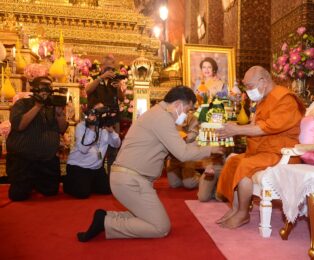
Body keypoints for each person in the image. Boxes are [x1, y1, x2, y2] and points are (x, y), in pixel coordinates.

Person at [77, 86, 223, 242]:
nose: (186, 116)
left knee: (150, 218)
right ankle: (107, 223)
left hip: (133, 180)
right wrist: (211, 149)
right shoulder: (162, 118)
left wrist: (205, 145)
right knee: (160, 227)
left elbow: (180, 148)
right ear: (179, 104)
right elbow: (182, 153)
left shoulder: (158, 115)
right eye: (187, 110)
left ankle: (105, 217)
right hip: (130, 181)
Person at [215, 66, 305, 229]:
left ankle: (243, 214)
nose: (249, 91)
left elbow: (269, 127)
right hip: (263, 150)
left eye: (250, 86)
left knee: (244, 166)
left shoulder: (285, 99)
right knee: (233, 161)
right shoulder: (264, 98)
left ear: (263, 81)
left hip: (281, 153)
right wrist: (234, 128)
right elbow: (257, 125)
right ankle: (235, 209)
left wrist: (237, 130)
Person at [6, 76, 68, 201]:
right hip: (24, 158)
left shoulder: (52, 105)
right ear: (34, 88)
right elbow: (19, 125)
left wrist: (59, 114)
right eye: (43, 86)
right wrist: (38, 106)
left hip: (47, 158)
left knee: (51, 192)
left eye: (49, 87)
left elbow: (61, 129)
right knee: (18, 196)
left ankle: (36, 183)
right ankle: (28, 183)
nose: (46, 90)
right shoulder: (22, 103)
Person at [63, 103, 121, 199]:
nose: (100, 115)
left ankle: (88, 184)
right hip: (79, 166)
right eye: (97, 112)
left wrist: (111, 131)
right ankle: (69, 182)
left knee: (107, 190)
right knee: (82, 194)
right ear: (90, 114)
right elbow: (83, 149)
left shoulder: (105, 128)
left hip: (96, 168)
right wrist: (91, 128)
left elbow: (116, 144)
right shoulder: (81, 126)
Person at [85, 54, 125, 175]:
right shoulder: (94, 78)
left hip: (113, 117)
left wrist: (119, 88)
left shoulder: (115, 81)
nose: (110, 71)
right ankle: (98, 175)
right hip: (97, 118)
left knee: (114, 148)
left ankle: (112, 177)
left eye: (112, 69)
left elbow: (121, 98)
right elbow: (87, 90)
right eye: (108, 68)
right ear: (102, 67)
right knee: (97, 148)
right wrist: (101, 77)